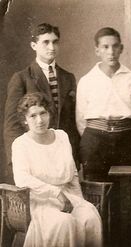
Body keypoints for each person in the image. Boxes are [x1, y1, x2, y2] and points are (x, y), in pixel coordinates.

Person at [12, 92, 102, 247]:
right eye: (33, 116)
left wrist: (79, 200)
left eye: (43, 113)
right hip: (40, 202)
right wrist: (56, 193)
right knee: (64, 222)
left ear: (49, 114)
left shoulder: (61, 136)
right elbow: (22, 179)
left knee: (90, 216)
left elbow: (72, 172)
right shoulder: (21, 144)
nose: (40, 120)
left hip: (68, 196)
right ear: (25, 120)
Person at [3, 23, 79, 183]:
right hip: (34, 156)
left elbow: (72, 123)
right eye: (46, 42)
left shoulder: (68, 77)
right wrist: (16, 161)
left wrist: (74, 158)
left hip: (60, 155)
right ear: (34, 45)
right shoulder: (22, 78)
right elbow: (12, 125)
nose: (52, 47)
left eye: (55, 41)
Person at [76, 27, 131, 180]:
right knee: (96, 189)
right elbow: (81, 121)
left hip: (125, 139)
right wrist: (97, 136)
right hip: (95, 141)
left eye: (115, 46)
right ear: (97, 50)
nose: (111, 52)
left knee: (126, 189)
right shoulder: (87, 80)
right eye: (105, 47)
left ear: (121, 48)